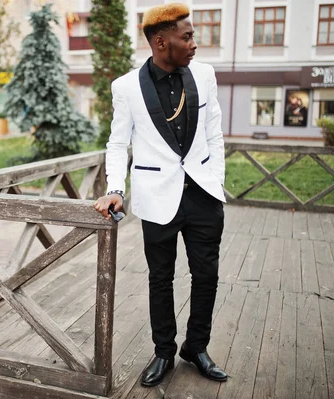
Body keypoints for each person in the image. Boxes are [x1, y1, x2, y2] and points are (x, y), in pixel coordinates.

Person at [93, 3, 227, 387]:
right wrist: (115, 189)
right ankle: (164, 351)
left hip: (203, 195)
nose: (194, 43)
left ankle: (196, 348)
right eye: (187, 37)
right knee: (160, 278)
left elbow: (215, 133)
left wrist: (215, 183)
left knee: (207, 276)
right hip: (156, 197)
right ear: (160, 41)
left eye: (193, 35)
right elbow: (117, 143)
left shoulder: (204, 75)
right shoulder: (126, 86)